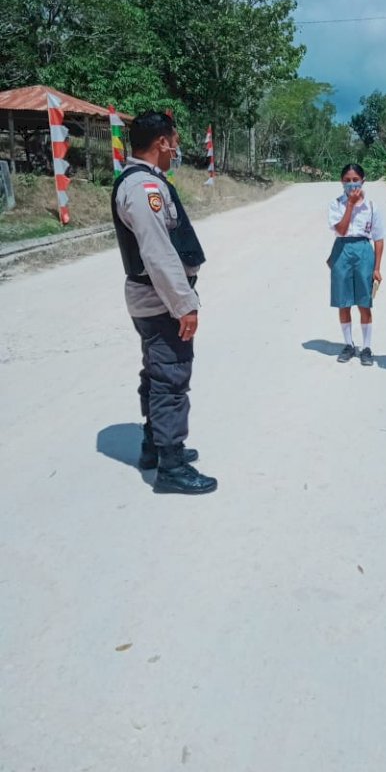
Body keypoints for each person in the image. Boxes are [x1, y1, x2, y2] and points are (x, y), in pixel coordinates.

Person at [111, 111, 217, 495]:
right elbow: (157, 253)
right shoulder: (144, 188)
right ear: (161, 143)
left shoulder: (146, 182)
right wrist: (183, 304)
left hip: (154, 298)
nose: (176, 149)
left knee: (157, 371)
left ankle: (154, 447)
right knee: (171, 377)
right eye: (174, 141)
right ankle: (170, 466)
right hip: (159, 299)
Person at [327, 163, 385, 365]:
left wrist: (376, 267)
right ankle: (348, 344)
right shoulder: (336, 204)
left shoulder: (371, 207)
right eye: (347, 180)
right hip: (342, 249)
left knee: (364, 302)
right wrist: (349, 205)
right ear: (341, 182)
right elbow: (341, 230)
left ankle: (366, 347)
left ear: (363, 180)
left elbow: (378, 239)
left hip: (363, 250)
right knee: (343, 301)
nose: (352, 184)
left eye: (355, 179)